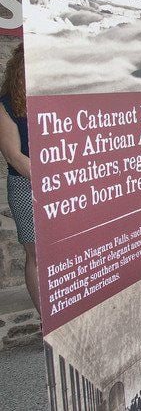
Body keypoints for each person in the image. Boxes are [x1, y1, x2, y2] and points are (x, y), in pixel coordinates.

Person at [0, 43, 39, 314]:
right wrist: (53, 182)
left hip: (66, 187)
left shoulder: (53, 98)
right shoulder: (5, 106)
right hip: (27, 187)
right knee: (37, 256)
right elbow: (14, 156)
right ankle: (45, 318)